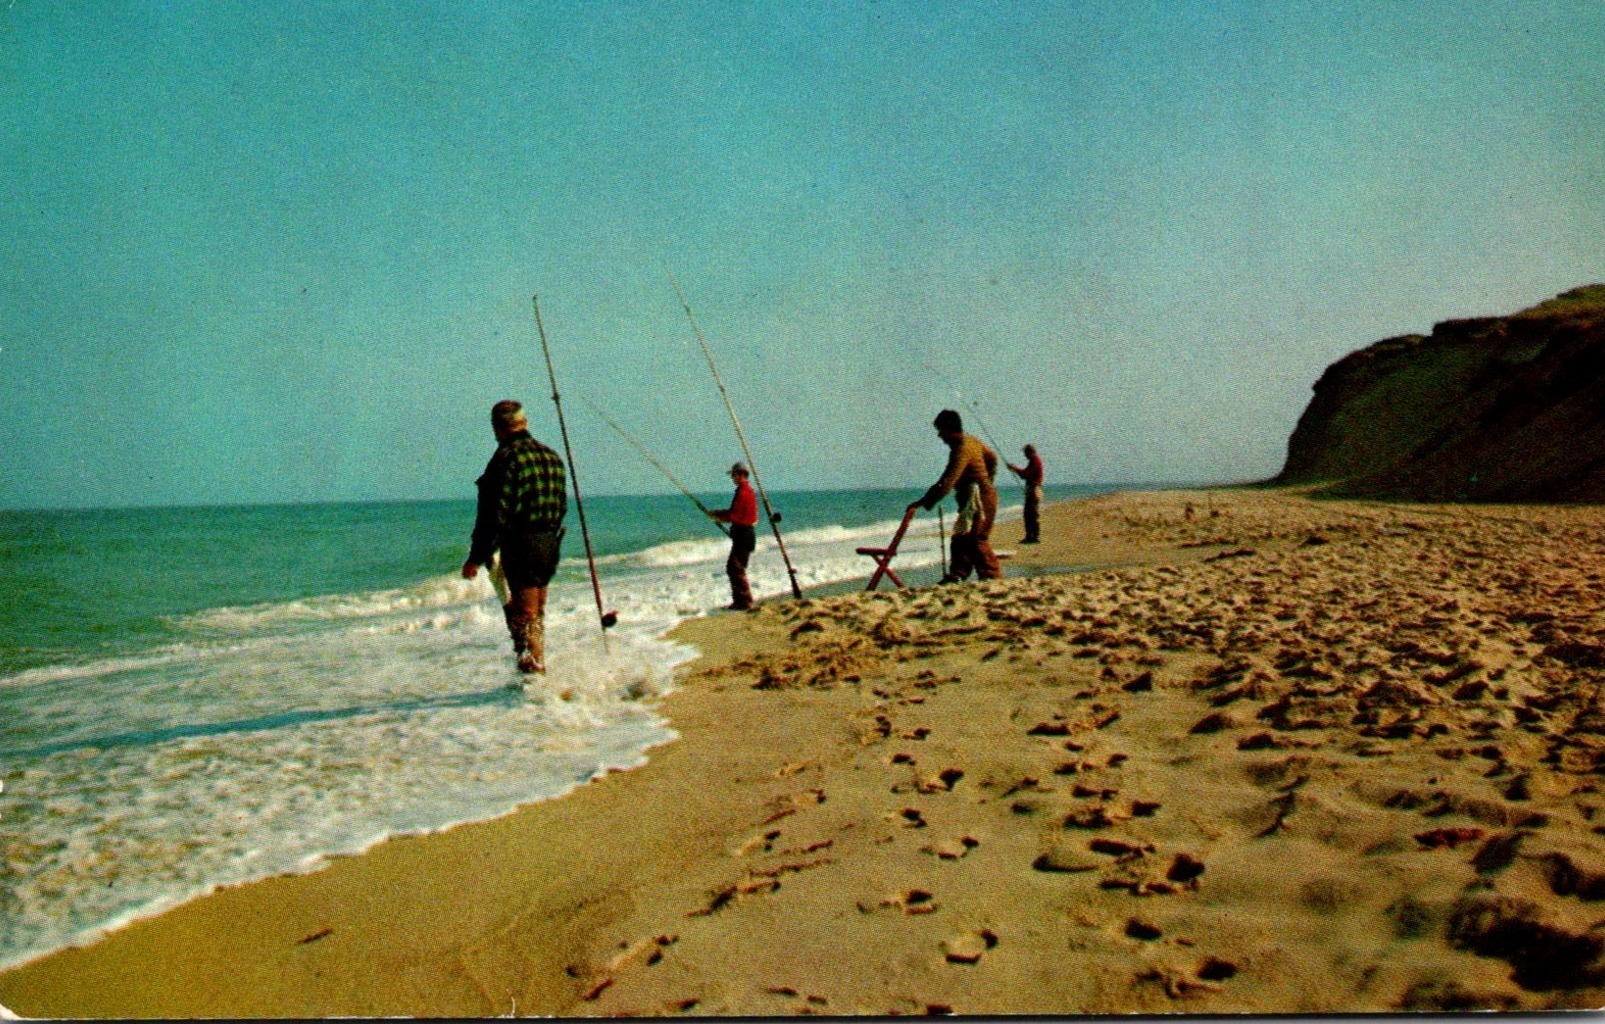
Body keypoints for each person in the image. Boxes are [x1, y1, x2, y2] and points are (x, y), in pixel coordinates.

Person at [461, 400, 567, 674]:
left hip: (522, 544)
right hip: (550, 542)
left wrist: (476, 556)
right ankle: (537, 668)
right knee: (536, 612)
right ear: (524, 422)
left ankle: (533, 675)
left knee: (523, 614)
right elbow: (561, 505)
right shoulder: (552, 456)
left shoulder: (507, 458)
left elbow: (495, 514)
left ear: (498, 428)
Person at [908, 409, 1001, 582]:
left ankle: (991, 576)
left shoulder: (962, 450)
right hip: (979, 497)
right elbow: (993, 459)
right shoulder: (973, 441)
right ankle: (958, 574)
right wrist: (988, 479)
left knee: (976, 539)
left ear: (949, 430)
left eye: (940, 431)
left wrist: (924, 502)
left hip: (981, 499)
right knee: (960, 538)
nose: (939, 436)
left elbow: (947, 482)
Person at [708, 462, 759, 610]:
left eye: (733, 474)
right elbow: (735, 513)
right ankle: (741, 601)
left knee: (735, 568)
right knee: (735, 568)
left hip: (744, 534)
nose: (732, 477)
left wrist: (719, 516)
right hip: (745, 534)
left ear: (741, 474)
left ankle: (744, 602)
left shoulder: (743, 492)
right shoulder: (746, 491)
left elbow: (735, 515)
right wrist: (718, 514)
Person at [1007, 444, 1045, 544]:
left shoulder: (1035, 461)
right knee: (1028, 514)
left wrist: (1014, 468)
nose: (1024, 455)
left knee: (1031, 513)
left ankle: (1034, 537)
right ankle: (1030, 536)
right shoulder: (1033, 461)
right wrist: (1014, 469)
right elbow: (1024, 475)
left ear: (1030, 452)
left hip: (1034, 489)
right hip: (1032, 489)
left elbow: (1026, 474)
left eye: (1025, 453)